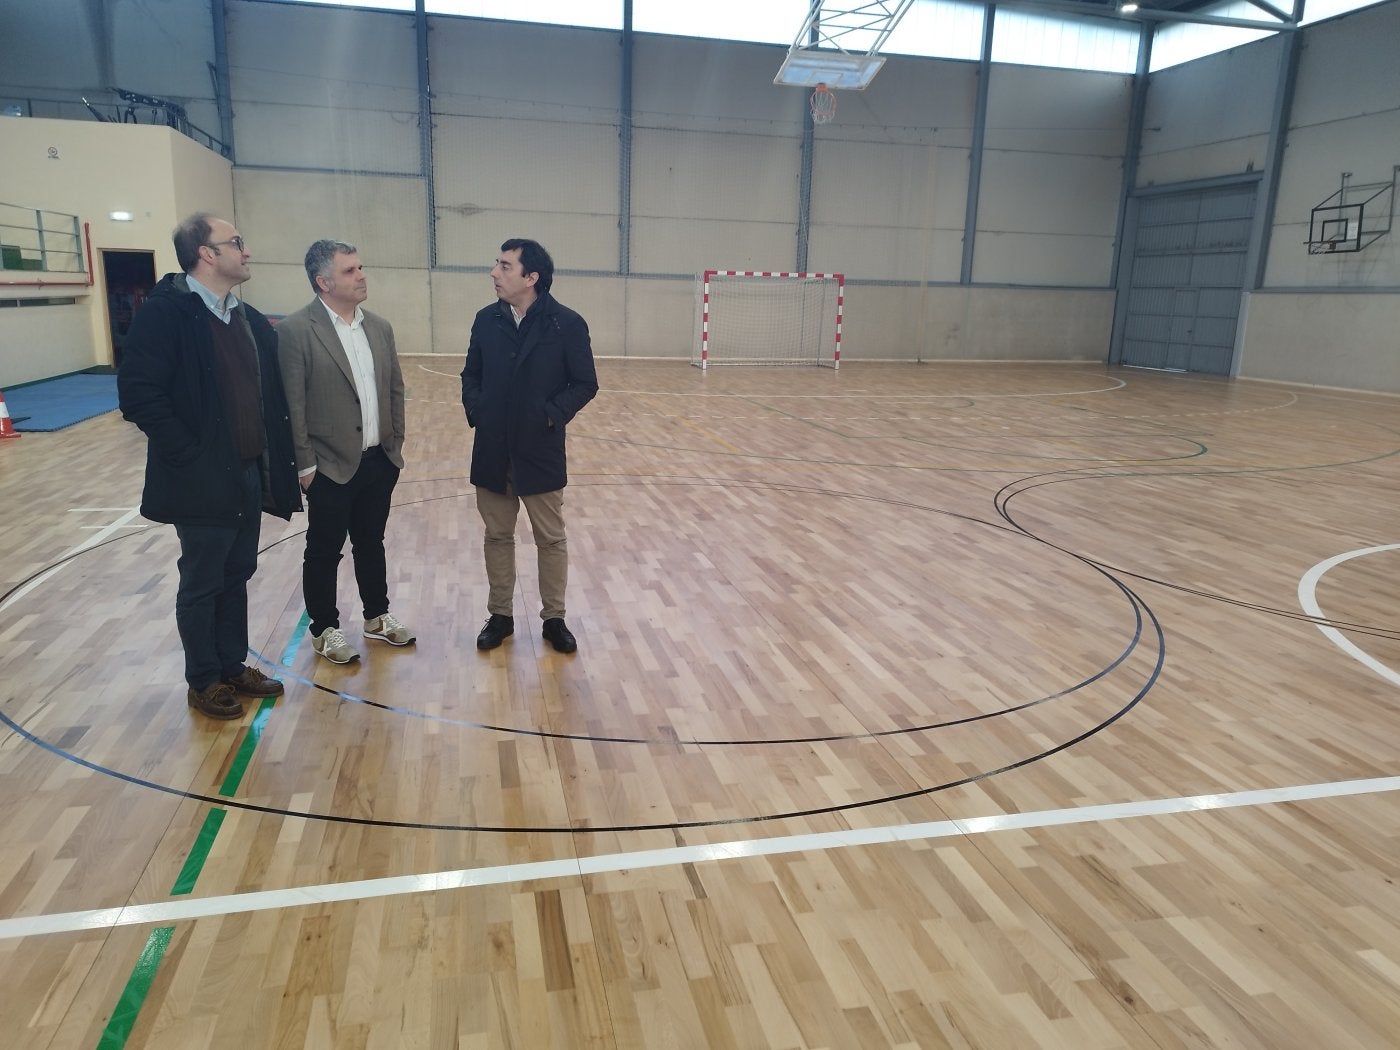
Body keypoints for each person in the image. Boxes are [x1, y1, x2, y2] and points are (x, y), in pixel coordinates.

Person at [118, 213, 301, 720]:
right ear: (206, 253)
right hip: (199, 477)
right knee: (202, 579)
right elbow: (138, 395)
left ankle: (231, 664)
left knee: (237, 572)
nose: (246, 251)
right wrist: (191, 453)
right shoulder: (167, 314)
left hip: (245, 471)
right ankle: (204, 679)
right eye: (236, 242)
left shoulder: (244, 317)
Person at [276, 239, 414, 664]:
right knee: (323, 550)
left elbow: (394, 388)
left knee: (371, 542)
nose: (361, 275)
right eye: (350, 270)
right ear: (324, 281)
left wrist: (394, 443)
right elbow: (292, 402)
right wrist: (305, 464)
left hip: (378, 459)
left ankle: (377, 616)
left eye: (360, 267)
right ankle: (325, 629)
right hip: (329, 465)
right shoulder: (297, 330)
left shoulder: (379, 327)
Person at [461, 238, 598, 653]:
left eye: (504, 266)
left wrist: (550, 415)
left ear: (531, 277)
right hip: (492, 448)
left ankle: (554, 619)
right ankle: (500, 615)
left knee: (550, 540)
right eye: (496, 265)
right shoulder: (486, 319)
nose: (494, 273)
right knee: (497, 536)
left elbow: (585, 383)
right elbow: (472, 375)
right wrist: (480, 410)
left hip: (539, 449)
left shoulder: (566, 324)